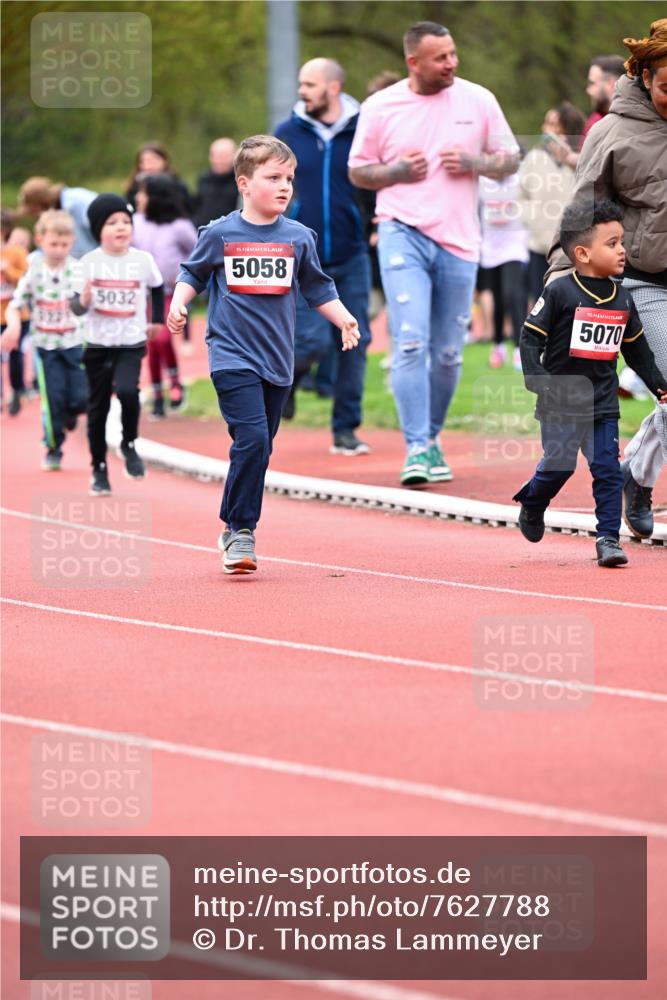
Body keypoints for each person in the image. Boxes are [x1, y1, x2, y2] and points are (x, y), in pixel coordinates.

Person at [167, 135, 360, 575]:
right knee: (252, 439)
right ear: (244, 183)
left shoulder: (298, 238)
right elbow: (192, 273)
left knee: (258, 446)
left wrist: (344, 319)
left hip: (278, 360)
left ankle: (233, 522)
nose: (284, 186)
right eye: (273, 178)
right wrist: (179, 302)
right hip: (231, 356)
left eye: (289, 178)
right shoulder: (220, 233)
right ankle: (240, 529)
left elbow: (317, 287)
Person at [349, 20, 519, 485]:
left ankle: (433, 436)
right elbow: (359, 171)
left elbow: (509, 159)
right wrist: (396, 171)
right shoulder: (381, 106)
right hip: (401, 230)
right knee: (409, 340)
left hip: (460, 240)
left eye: (453, 53)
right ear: (414, 62)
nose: (451, 63)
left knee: (447, 354)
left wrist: (474, 162)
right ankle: (417, 446)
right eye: (441, 57)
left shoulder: (478, 99)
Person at [547, 17, 667, 539]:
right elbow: (583, 210)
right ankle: (638, 480)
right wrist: (561, 283)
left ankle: (634, 475)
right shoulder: (613, 132)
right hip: (644, 280)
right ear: (644, 77)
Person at [513, 199, 667, 567]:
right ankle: (533, 501)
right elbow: (530, 337)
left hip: (602, 403)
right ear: (582, 253)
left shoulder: (623, 300)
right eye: (611, 244)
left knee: (607, 471)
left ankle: (609, 539)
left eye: (622, 242)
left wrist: (660, 385)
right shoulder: (560, 292)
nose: (622, 250)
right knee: (560, 464)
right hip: (560, 401)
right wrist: (538, 378)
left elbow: (639, 352)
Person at [275, 57, 372, 456]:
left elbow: (377, 179)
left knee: (355, 340)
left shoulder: (364, 127)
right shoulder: (287, 133)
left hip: (352, 254)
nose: (302, 91)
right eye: (301, 84)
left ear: (333, 87)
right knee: (308, 341)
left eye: (310, 84)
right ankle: (291, 384)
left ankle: (345, 429)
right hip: (302, 257)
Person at [73, 194, 165, 496]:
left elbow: (157, 286)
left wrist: (155, 320)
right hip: (98, 344)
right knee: (97, 408)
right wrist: (83, 301)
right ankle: (98, 467)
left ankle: (129, 443)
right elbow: (74, 307)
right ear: (99, 229)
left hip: (130, 341)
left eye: (126, 222)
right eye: (112, 223)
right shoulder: (88, 263)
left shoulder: (142, 260)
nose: (121, 228)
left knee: (128, 391)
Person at [1, 210, 87, 470]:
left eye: (64, 244)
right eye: (53, 244)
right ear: (40, 240)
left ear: (71, 242)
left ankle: (71, 413)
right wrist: (14, 327)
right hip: (46, 346)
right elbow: (16, 305)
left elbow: (83, 307)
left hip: (74, 343)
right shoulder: (33, 270)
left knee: (80, 398)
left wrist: (87, 300)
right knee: (52, 398)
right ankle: (53, 446)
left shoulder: (77, 269)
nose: (59, 249)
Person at [132, 174, 198, 415]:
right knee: (151, 340)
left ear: (157, 197)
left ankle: (176, 382)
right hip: (142, 294)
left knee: (162, 338)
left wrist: (183, 274)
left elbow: (198, 252)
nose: (138, 197)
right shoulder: (136, 222)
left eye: (143, 193)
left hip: (170, 292)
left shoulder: (179, 225)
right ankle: (158, 392)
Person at [518, 103, 584, 303]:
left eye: (555, 125)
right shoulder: (534, 158)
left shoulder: (582, 161)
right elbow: (521, 196)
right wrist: (531, 220)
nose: (547, 130)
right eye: (547, 124)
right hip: (540, 246)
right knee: (540, 301)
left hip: (571, 248)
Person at [477, 171, 528, 371]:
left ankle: (518, 348)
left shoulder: (519, 180)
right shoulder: (482, 182)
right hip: (489, 248)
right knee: (497, 298)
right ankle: (498, 345)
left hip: (514, 246)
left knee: (513, 294)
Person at [17, 177, 97, 258]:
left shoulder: (80, 201)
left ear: (41, 203)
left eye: (32, 211)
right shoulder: (49, 218)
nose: (32, 216)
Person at [1, 209, 29, 414]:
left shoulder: (17, 253)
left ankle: (18, 391)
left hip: (17, 315)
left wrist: (6, 270)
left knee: (15, 354)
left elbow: (26, 282)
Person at [125, 141, 192, 214]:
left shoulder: (177, 184)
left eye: (154, 160)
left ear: (164, 161)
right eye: (145, 161)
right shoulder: (134, 185)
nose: (149, 165)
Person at [193, 137, 239, 228]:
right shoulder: (204, 178)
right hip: (203, 232)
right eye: (217, 156)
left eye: (225, 156)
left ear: (235, 156)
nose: (220, 160)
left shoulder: (240, 180)